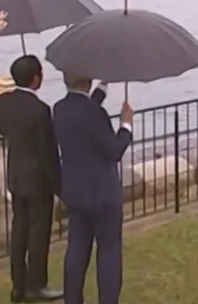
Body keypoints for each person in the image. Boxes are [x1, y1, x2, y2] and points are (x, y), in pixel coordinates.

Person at [53, 74, 134, 304]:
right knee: (108, 251)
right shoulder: (95, 114)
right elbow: (113, 151)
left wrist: (104, 86)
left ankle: (72, 299)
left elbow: (85, 112)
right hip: (102, 194)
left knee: (77, 248)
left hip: (75, 191)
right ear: (88, 80)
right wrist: (125, 124)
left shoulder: (60, 109)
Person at [0, 55, 63, 303]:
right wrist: (59, 186)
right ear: (36, 79)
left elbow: (1, 128)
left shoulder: (3, 101)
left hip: (16, 176)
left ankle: (18, 286)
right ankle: (36, 285)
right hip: (37, 182)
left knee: (19, 232)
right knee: (37, 235)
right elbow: (48, 152)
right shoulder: (40, 110)